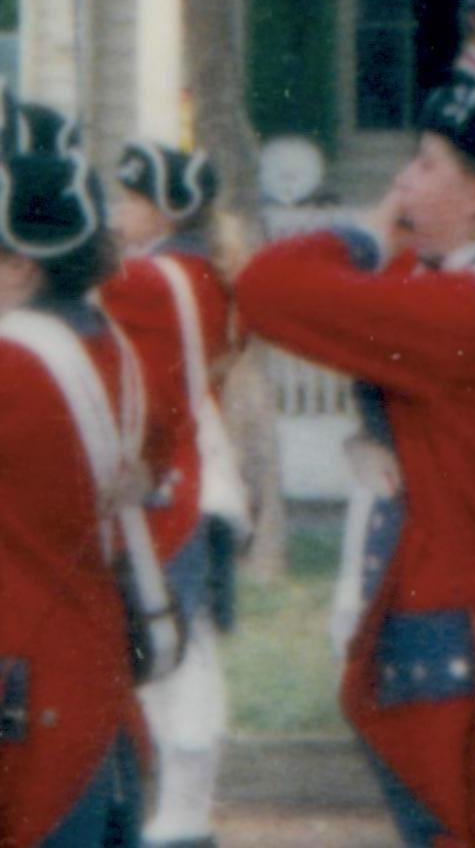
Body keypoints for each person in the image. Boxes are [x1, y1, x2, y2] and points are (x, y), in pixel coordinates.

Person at [235, 64, 475, 848]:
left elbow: (268, 287)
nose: (402, 181)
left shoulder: (472, 312)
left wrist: (366, 230)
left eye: (424, 164)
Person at [0, 136, 148, 848]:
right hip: (91, 675)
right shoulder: (106, 342)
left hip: (26, 690)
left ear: (20, 264)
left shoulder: (14, 363)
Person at [103, 140, 246, 848]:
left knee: (167, 650)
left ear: (166, 210)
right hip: (209, 478)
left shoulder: (153, 278)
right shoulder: (203, 273)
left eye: (131, 199)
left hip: (176, 485)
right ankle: (187, 809)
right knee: (187, 647)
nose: (119, 211)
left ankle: (181, 816)